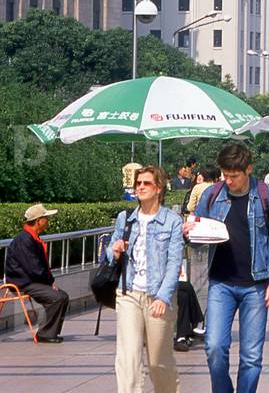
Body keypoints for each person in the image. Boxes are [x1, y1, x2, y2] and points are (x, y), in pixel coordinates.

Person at [187, 144, 269, 393]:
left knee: (251, 356)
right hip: (221, 283)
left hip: (256, 285)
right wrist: (189, 233)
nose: (229, 181)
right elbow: (198, 233)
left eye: (234, 175)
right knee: (213, 347)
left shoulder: (268, 196)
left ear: (248, 170)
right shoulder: (212, 195)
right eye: (225, 175)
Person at [108, 165, 184, 393]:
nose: (140, 187)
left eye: (146, 183)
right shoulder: (125, 219)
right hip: (128, 293)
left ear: (158, 188)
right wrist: (115, 250)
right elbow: (109, 255)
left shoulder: (172, 221)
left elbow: (174, 263)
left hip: (158, 297)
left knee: (158, 363)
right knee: (127, 359)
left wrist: (163, 297)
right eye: (138, 183)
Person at [3, 204, 69, 343]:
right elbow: (34, 269)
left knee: (63, 296)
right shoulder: (25, 239)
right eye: (45, 218)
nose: (47, 221)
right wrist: (49, 284)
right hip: (22, 282)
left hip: (31, 280)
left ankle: (50, 331)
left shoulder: (32, 238)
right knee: (57, 297)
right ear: (38, 221)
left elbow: (37, 268)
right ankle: (45, 334)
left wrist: (49, 283)